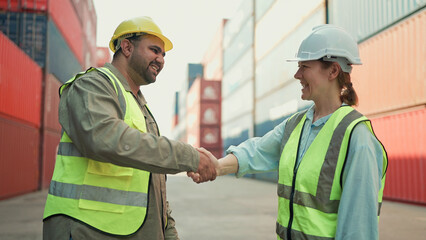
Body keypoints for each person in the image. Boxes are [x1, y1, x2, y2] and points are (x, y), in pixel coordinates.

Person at [191, 25, 388, 240]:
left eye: (304, 66)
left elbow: (358, 229)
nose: (297, 75)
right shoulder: (295, 125)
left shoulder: (357, 137)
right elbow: (256, 152)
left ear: (333, 71)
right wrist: (216, 166)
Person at [43, 16, 216, 240]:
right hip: (85, 229)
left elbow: (153, 183)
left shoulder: (141, 107)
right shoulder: (91, 86)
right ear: (126, 47)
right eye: (154, 50)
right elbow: (105, 139)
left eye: (163, 54)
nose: (161, 60)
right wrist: (190, 156)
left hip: (129, 231)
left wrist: (168, 232)